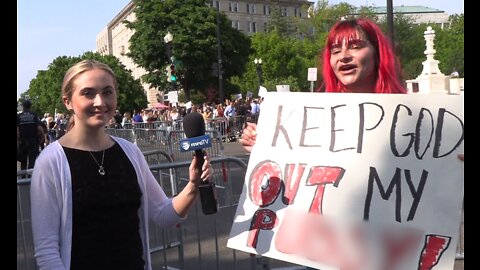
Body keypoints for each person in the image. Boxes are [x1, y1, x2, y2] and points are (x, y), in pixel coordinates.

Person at [30, 59, 213, 270]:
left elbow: (164, 215)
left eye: (107, 92)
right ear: (67, 101)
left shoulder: (130, 152)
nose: (100, 101)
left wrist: (192, 186)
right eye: (88, 93)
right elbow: (47, 253)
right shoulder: (51, 162)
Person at [241, 18, 407, 152]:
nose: (343, 56)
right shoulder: (312, 118)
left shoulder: (410, 115)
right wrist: (262, 145)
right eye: (335, 51)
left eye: (355, 47)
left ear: (377, 54)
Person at [17, 99, 44, 170]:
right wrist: (42, 137)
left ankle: (23, 178)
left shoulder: (19, 116)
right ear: (30, 106)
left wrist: (18, 141)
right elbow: (39, 129)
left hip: (22, 141)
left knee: (23, 161)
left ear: (23, 106)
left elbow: (17, 131)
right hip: (33, 141)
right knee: (32, 161)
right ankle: (30, 178)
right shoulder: (34, 115)